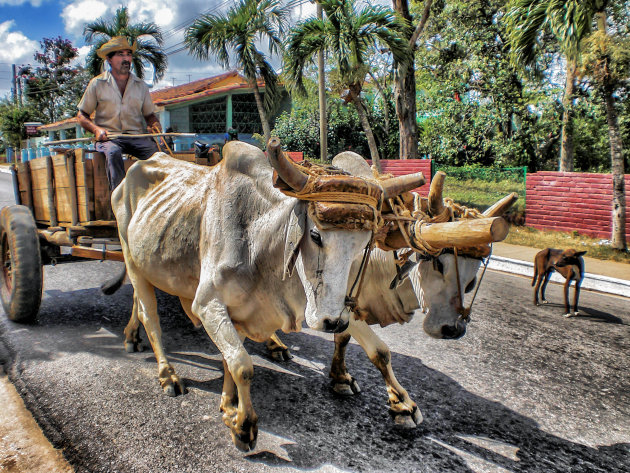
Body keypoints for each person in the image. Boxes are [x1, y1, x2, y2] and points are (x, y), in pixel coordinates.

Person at [76, 36, 161, 190]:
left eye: (128, 54)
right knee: (114, 152)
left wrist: (154, 124)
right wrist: (96, 130)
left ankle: (157, 196)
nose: (126, 59)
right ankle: (120, 199)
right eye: (120, 55)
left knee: (157, 155)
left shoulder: (140, 85)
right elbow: (82, 116)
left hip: (136, 137)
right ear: (109, 59)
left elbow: (149, 115)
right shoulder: (97, 84)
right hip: (110, 138)